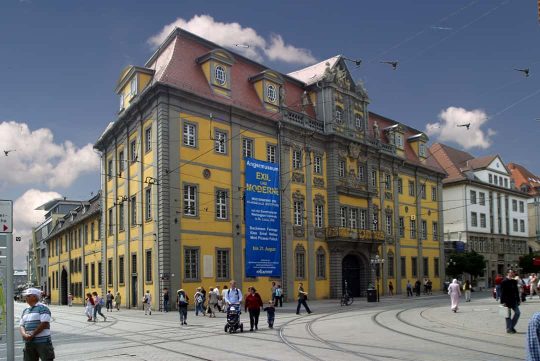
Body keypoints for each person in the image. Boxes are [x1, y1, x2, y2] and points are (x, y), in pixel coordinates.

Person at [19, 288, 55, 361]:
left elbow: (44, 323)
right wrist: (24, 335)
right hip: (29, 342)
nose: (26, 298)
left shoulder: (43, 308)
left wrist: (32, 334)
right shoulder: (25, 310)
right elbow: (21, 325)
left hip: (43, 342)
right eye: (26, 296)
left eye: (28, 296)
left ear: (35, 297)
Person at [501, 269, 520, 334]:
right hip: (507, 301)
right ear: (507, 273)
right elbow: (502, 292)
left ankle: (510, 327)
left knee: (518, 313)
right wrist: (503, 302)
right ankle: (510, 328)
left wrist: (518, 299)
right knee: (508, 315)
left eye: (513, 272)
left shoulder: (514, 281)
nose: (512, 274)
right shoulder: (504, 281)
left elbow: (516, 291)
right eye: (511, 272)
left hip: (514, 300)